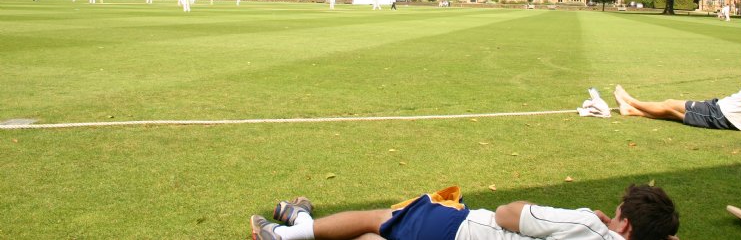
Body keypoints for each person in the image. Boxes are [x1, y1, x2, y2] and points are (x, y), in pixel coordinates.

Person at [251, 184, 679, 240]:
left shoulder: (586, 222)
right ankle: (303, 220)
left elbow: (508, 213)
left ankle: (290, 233)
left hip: (462, 231)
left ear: (622, 221)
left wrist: (590, 216)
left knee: (378, 217)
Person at [614, 46, 741, 146]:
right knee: (674, 114)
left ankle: (630, 100)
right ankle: (630, 110)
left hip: (723, 115)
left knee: (670, 104)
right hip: (725, 113)